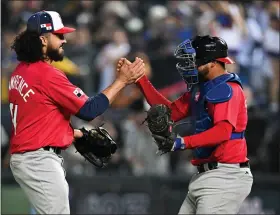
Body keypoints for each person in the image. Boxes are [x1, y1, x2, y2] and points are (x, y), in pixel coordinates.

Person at [8, 11, 145, 214]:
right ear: (43, 40)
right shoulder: (46, 74)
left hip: (28, 157)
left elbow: (38, 120)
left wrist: (77, 134)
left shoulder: (20, 72)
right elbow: (90, 110)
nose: (64, 40)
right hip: (39, 160)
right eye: (59, 35)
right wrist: (122, 81)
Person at [119, 35, 253, 214]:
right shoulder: (204, 87)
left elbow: (222, 132)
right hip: (207, 174)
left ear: (213, 63)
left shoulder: (226, 89)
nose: (192, 64)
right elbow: (169, 111)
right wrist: (140, 79)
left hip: (225, 176)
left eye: (196, 59)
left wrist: (180, 143)